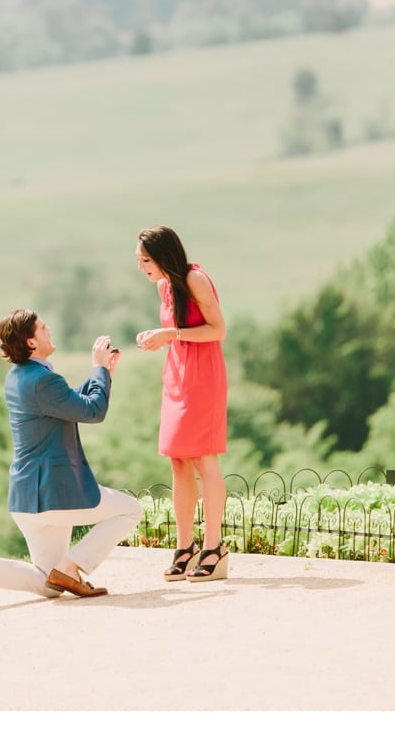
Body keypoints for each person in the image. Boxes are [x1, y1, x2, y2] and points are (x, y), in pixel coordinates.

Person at [0, 309, 142, 611]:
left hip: (27, 500)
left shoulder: (20, 377)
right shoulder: (42, 380)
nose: (48, 328)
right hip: (54, 494)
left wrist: (102, 375)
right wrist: (98, 369)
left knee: (49, 585)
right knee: (129, 510)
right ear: (30, 343)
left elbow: (70, 404)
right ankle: (72, 567)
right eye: (41, 328)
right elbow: (92, 412)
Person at [135, 225, 230, 582]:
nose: (142, 266)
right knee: (177, 459)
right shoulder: (164, 285)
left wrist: (170, 334)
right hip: (177, 373)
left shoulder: (195, 280)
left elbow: (218, 330)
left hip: (203, 375)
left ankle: (214, 546)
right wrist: (158, 338)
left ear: (162, 257)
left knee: (204, 456)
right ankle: (186, 545)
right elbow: (176, 330)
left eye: (145, 259)